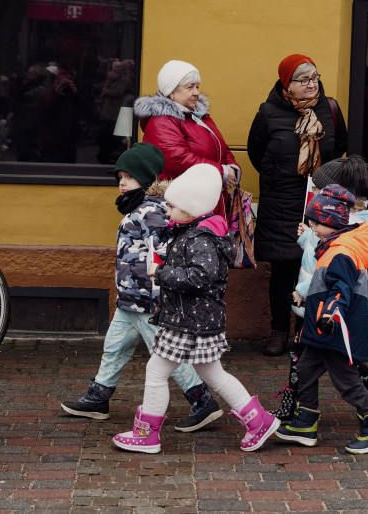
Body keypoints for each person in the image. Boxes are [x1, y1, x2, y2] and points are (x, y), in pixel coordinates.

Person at [112, 164, 279, 454]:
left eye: (173, 206)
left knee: (155, 372)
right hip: (196, 320)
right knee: (213, 373)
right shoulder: (194, 233)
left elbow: (200, 277)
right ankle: (258, 421)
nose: (168, 210)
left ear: (191, 209)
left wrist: (160, 274)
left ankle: (146, 435)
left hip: (189, 320)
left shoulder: (200, 239)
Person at [60, 143, 223, 432]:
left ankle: (203, 401)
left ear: (146, 180)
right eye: (119, 177)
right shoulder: (139, 208)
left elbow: (164, 253)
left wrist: (161, 294)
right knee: (114, 348)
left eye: (129, 177)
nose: (122, 183)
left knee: (167, 356)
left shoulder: (153, 211)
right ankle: (98, 398)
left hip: (148, 300)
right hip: (130, 299)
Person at [271, 156, 368, 425]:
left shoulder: (342, 227)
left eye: (322, 191)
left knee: (329, 358)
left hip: (322, 300)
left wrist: (302, 285)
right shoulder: (352, 221)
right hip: (319, 298)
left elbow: (320, 266)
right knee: (320, 357)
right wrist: (307, 238)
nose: (318, 195)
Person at [274, 184, 368, 454]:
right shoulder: (333, 246)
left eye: (316, 223)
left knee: (347, 381)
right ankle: (305, 423)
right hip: (322, 328)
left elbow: (341, 289)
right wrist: (308, 297)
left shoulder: (341, 251)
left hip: (335, 329)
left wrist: (328, 314)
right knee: (304, 369)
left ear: (331, 221)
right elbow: (326, 283)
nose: (312, 228)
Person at [248, 54, 347, 356]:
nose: (311, 84)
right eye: (303, 80)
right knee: (283, 269)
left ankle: (309, 331)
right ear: (286, 84)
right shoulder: (268, 112)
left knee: (317, 268)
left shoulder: (329, 109)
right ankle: (279, 331)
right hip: (281, 202)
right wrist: (279, 175)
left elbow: (339, 146)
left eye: (314, 77)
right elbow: (256, 152)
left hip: (318, 201)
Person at [134, 60, 239, 218]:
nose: (196, 92)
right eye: (189, 87)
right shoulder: (161, 120)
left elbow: (220, 147)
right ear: (171, 92)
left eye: (197, 86)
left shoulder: (199, 115)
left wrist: (232, 168)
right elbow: (177, 159)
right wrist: (222, 172)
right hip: (183, 207)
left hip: (206, 200)